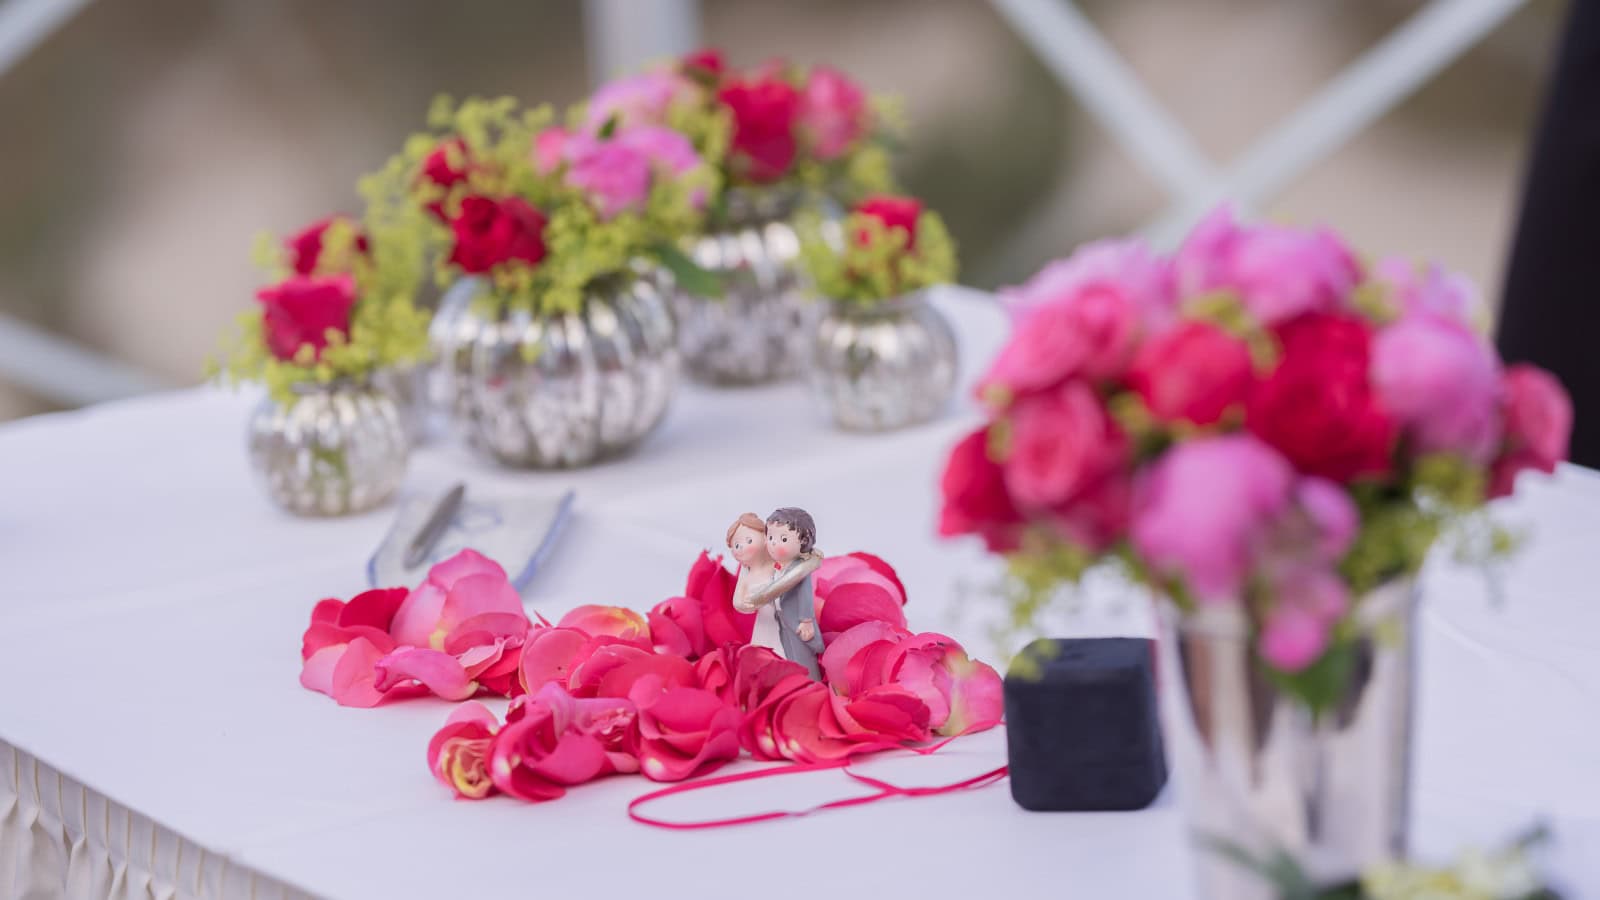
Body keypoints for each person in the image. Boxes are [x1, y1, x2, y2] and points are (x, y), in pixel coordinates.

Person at [743, 507, 826, 680]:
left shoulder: (800, 571)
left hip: (798, 623)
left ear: (803, 542)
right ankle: (796, 683)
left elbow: (805, 597)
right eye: (771, 537)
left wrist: (806, 620)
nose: (773, 543)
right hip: (783, 620)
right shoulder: (777, 567)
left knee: (802, 657)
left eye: (783, 539)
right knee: (789, 654)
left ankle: (811, 683)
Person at [728, 512, 783, 653]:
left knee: (783, 647)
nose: (742, 548)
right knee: (763, 647)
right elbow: (737, 600)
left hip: (782, 618)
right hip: (763, 621)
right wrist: (744, 604)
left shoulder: (775, 564)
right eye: (737, 545)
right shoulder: (746, 571)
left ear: (765, 538)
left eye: (749, 541)